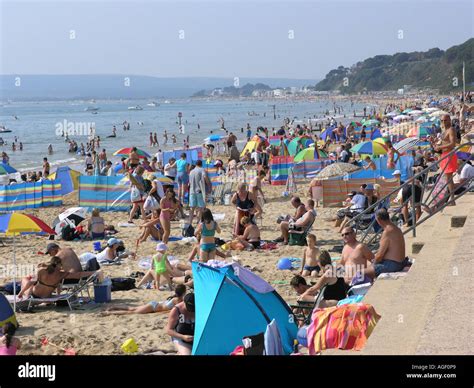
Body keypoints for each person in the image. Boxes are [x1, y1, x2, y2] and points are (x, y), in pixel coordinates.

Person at [18, 256, 98, 299]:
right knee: (31, 281)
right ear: (59, 265)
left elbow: (30, 282)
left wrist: (21, 292)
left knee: (25, 279)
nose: (62, 266)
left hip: (34, 294)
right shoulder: (61, 274)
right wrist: (93, 272)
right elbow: (78, 275)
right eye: (61, 264)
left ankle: (26, 295)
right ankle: (26, 294)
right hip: (46, 297)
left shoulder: (42, 271)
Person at [364, 209, 408, 278]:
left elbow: (380, 256)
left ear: (378, 219)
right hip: (400, 262)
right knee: (366, 263)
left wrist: (373, 264)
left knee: (360, 273)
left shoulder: (387, 232)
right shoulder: (396, 228)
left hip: (392, 265)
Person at [103, 285, 187, 315]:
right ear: (183, 292)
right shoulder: (178, 300)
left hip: (154, 305)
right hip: (153, 307)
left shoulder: (176, 299)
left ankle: (113, 307)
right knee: (131, 312)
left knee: (132, 309)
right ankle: (109, 312)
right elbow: (175, 310)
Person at [431, 114, 458, 205]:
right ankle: (451, 198)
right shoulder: (445, 130)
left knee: (449, 179)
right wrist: (436, 145)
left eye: (445, 120)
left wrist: (440, 146)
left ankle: (452, 200)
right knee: (448, 179)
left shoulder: (451, 129)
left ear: (449, 120)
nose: (443, 122)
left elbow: (453, 143)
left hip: (449, 155)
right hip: (444, 155)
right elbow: (444, 142)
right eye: (442, 121)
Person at [188, 160, 209, 226]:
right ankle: (198, 222)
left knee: (192, 208)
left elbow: (190, 182)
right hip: (199, 191)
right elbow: (205, 177)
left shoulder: (191, 171)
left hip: (192, 191)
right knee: (200, 207)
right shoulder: (202, 170)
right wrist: (208, 184)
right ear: (201, 164)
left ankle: (190, 223)